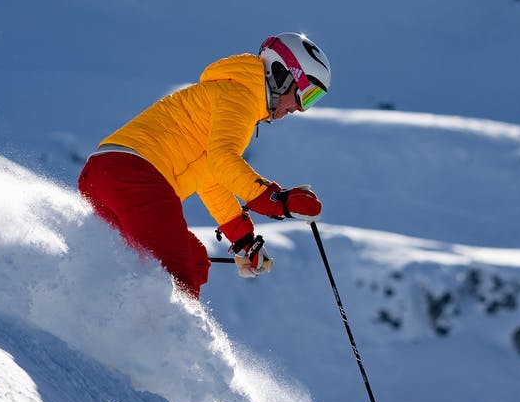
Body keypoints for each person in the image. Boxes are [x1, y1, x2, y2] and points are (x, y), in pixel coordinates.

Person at [78, 32, 331, 298]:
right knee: (176, 280)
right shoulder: (240, 96)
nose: (301, 109)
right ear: (282, 75)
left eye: (313, 100)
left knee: (195, 261)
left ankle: (100, 320)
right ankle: (161, 336)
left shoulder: (229, 95)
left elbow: (210, 176)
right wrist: (278, 201)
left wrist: (243, 239)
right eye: (307, 94)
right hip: (135, 176)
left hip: (103, 175)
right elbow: (223, 160)